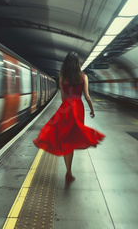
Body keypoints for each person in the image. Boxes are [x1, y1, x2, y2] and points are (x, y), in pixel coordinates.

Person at [33, 51, 105, 182]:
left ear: (66, 63)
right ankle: (68, 173)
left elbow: (63, 97)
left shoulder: (62, 77)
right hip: (78, 107)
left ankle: (69, 171)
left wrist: (66, 108)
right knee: (74, 137)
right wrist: (92, 110)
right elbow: (87, 96)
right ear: (77, 64)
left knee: (65, 138)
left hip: (65, 108)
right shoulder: (83, 77)